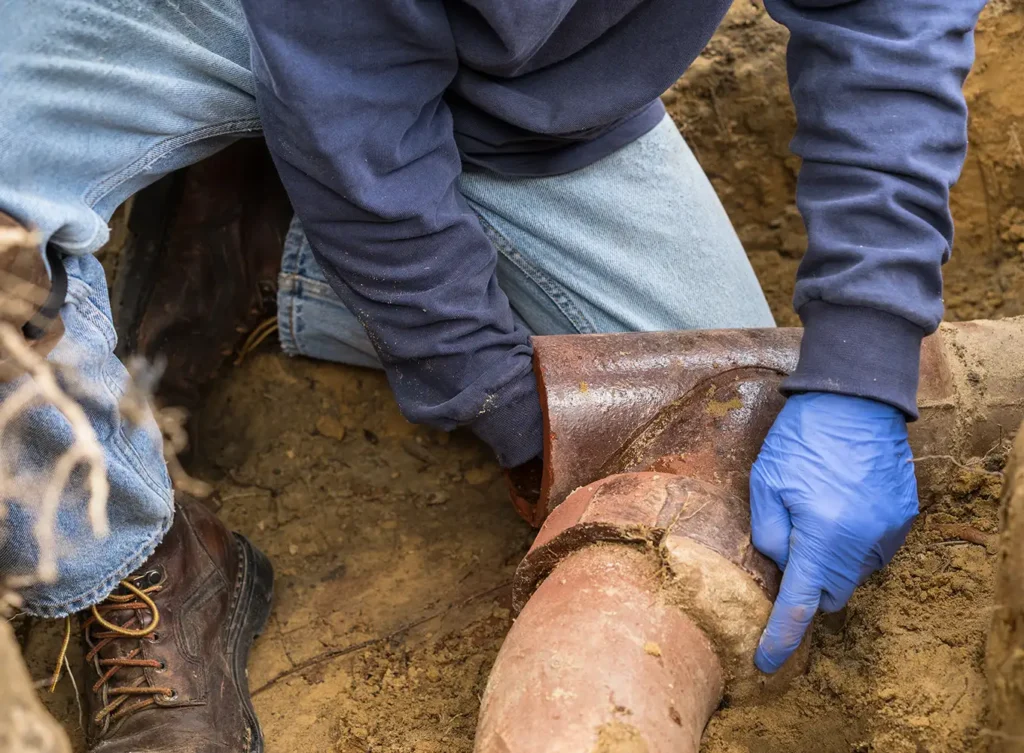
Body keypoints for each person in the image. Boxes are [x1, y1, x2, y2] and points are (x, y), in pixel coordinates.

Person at [0, 0, 985, 750]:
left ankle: (267, 241)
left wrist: (863, 362)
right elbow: (359, 127)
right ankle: (130, 557)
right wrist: (504, 404)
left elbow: (888, 19)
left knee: (714, 418)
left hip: (514, 85)